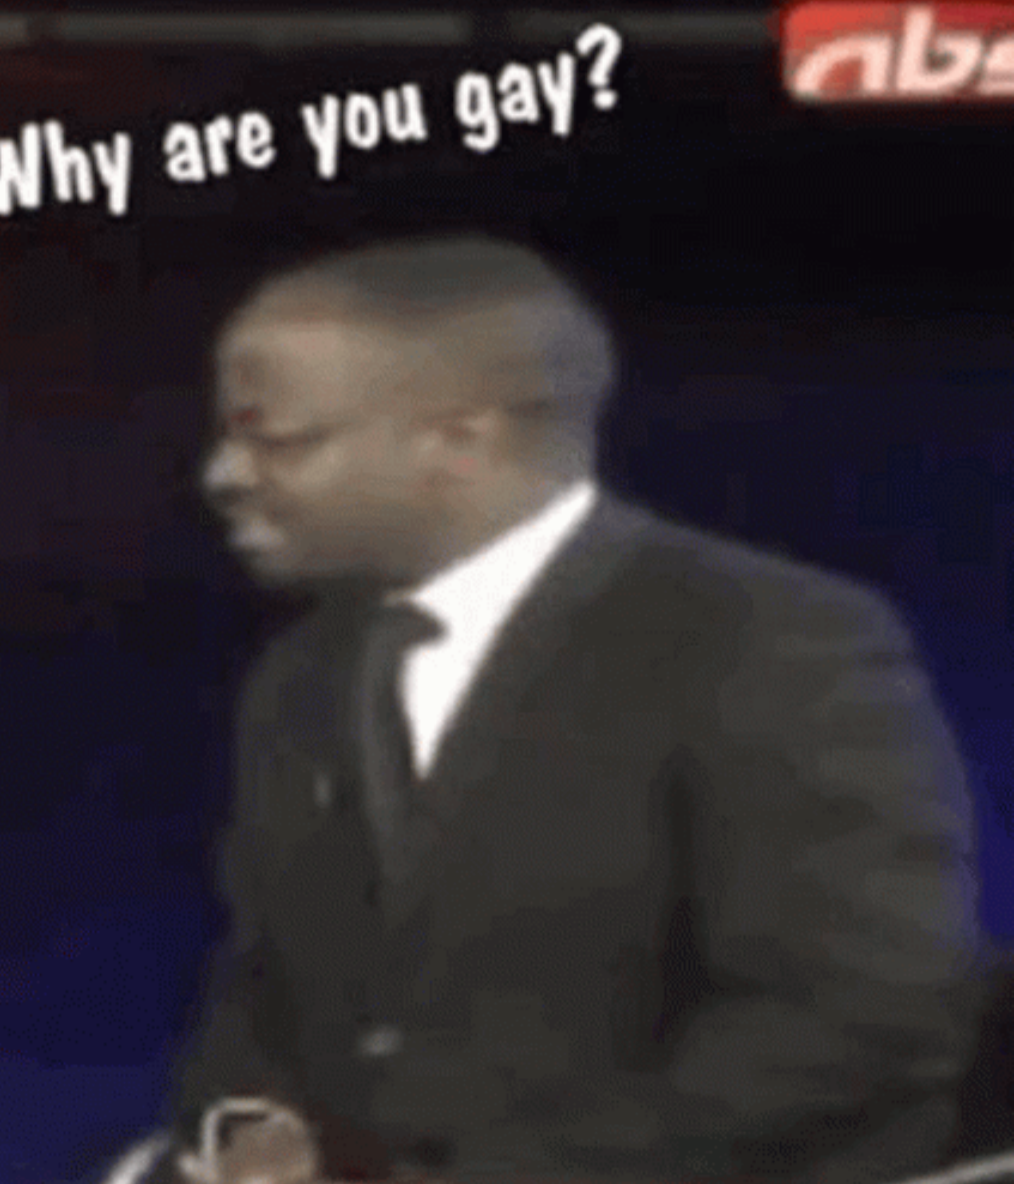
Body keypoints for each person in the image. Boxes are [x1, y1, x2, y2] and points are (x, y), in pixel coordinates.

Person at [100, 233, 994, 1184]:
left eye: (277, 440)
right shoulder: (301, 677)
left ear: (461, 443)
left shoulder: (765, 639)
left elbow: (866, 1018)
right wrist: (250, 1122)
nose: (223, 474)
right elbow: (263, 987)